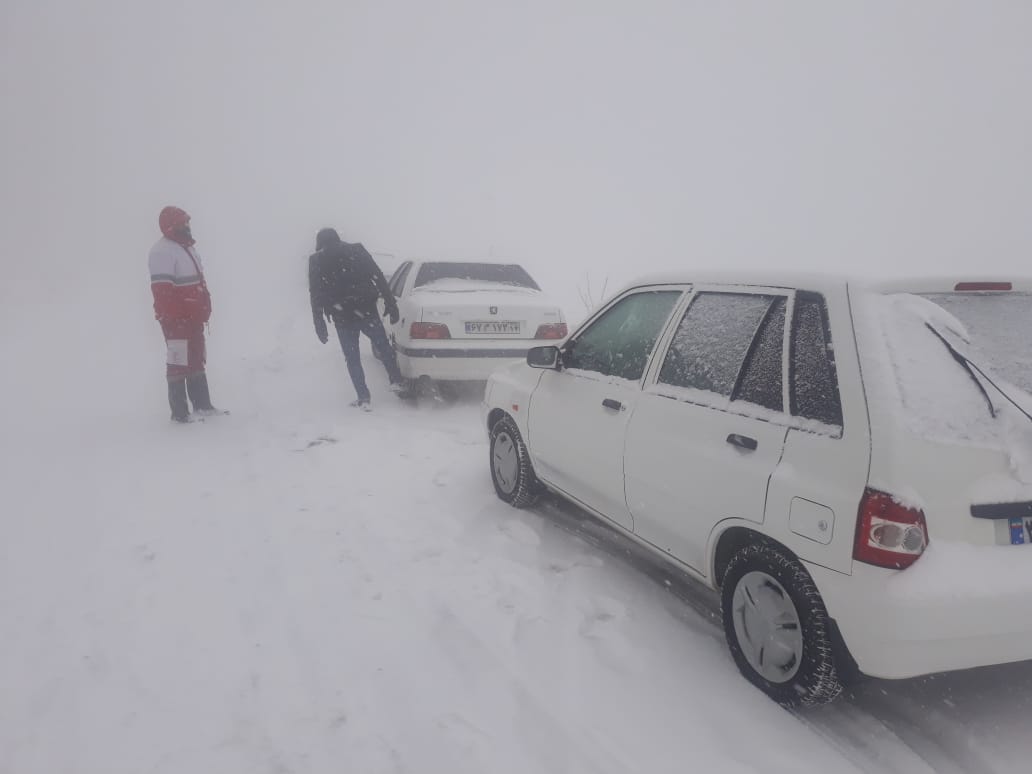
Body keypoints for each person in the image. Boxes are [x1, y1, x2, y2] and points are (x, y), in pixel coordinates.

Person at [308, 228, 404, 409]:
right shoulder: (357, 250)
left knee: (352, 358)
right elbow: (377, 275)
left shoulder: (317, 260)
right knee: (383, 346)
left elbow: (315, 294)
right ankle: (396, 380)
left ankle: (363, 397)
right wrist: (391, 303)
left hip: (342, 317)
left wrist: (319, 323)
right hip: (366, 310)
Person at [148, 206, 220, 422]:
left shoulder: (186, 248)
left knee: (197, 358)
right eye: (182, 223)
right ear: (171, 226)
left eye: (187, 222)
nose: (187, 226)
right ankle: (179, 413)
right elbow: (163, 292)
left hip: (192, 317)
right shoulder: (162, 251)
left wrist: (200, 309)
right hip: (176, 319)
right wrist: (178, 316)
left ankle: (202, 405)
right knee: (179, 360)